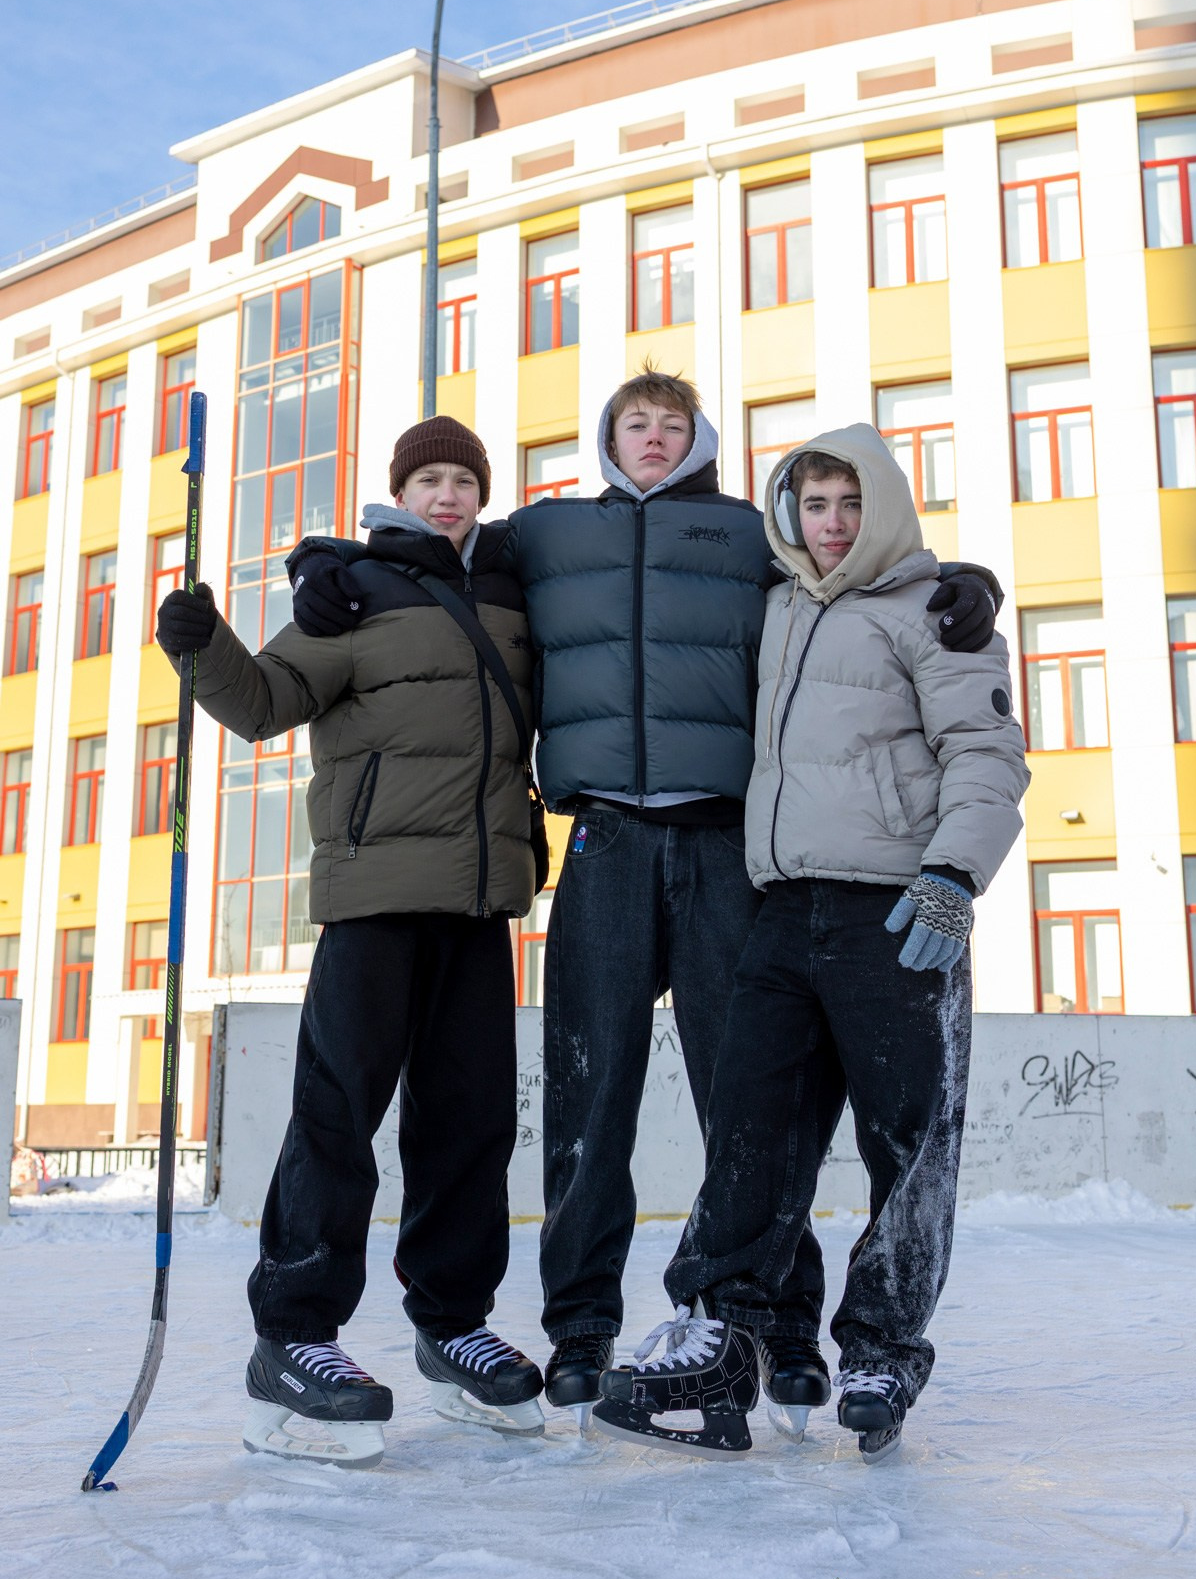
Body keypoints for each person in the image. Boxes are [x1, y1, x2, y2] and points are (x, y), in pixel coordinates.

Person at [289, 372, 1003, 1430]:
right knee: (589, 1101)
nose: (655, 438)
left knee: (752, 1108)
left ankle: (780, 1328)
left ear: (698, 437)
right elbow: (437, 545)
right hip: (605, 841)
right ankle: (581, 1328)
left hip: (724, 847)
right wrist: (327, 559)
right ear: (608, 436)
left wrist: (966, 580)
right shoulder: (547, 534)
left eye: (673, 424)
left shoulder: (747, 531)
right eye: (637, 423)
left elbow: (854, 569)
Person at [593, 424, 1029, 1463]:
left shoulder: (935, 610)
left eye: (849, 504)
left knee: (907, 1142)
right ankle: (721, 1340)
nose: (830, 524)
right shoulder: (780, 604)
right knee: (752, 1136)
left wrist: (952, 876)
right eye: (813, 505)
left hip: (896, 911)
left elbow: (986, 750)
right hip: (782, 911)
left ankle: (881, 1350)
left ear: (882, 508)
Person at [156, 415, 546, 1468]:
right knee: (337, 1118)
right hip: (374, 897)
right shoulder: (352, 591)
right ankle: (293, 1337)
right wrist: (202, 644)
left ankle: (453, 1325)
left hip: (480, 904)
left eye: (463, 479)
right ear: (399, 493)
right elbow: (263, 704)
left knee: (471, 1126)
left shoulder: (511, 595)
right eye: (429, 480)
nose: (447, 496)